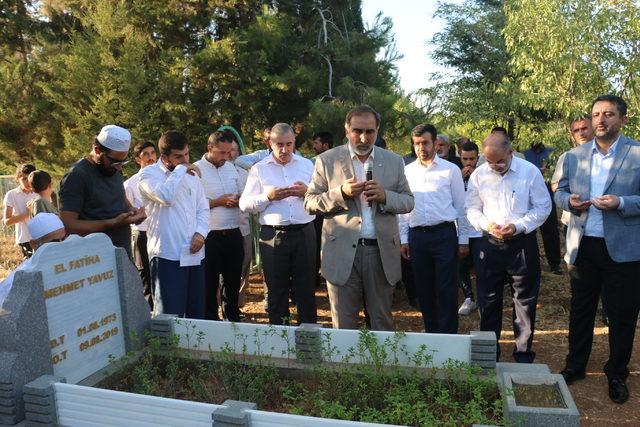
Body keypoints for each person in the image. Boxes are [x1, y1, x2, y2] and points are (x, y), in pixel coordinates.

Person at [555, 95, 640, 404]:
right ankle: (575, 366)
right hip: (583, 246)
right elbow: (560, 193)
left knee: (622, 315)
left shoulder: (637, 153)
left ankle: (617, 373)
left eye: (609, 114)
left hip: (624, 250)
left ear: (623, 119)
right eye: (596, 114)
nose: (601, 119)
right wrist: (569, 202)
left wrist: (621, 203)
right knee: (581, 310)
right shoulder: (574, 156)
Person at [305, 105, 414, 331]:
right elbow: (310, 202)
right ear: (346, 130)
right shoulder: (327, 160)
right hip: (341, 252)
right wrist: (341, 193)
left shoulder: (393, 161)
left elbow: (408, 201)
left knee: (382, 321)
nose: (364, 138)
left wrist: (386, 196)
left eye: (370, 131)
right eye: (357, 131)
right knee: (344, 325)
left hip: (381, 252)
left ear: (377, 130)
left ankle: (379, 367)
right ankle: (346, 367)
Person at [466, 132, 551, 362]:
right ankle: (488, 354)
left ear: (511, 152)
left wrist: (519, 225)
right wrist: (486, 224)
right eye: (489, 161)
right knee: (488, 299)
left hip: (521, 245)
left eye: (500, 161)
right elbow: (471, 208)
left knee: (524, 300)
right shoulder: (479, 175)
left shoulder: (529, 172)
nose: (494, 166)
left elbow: (543, 207)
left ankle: (523, 354)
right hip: (489, 244)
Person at [239, 123, 317, 325]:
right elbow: (244, 204)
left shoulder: (307, 165)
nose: (284, 150)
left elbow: (322, 198)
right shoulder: (258, 169)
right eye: (279, 145)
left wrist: (306, 192)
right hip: (272, 236)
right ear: (269, 143)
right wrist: (267, 197)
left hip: (305, 233)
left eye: (289, 144)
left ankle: (308, 342)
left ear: (294, 143)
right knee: (276, 289)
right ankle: (280, 341)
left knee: (306, 289)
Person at [399, 124, 468, 333]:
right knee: (424, 289)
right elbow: (402, 209)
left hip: (444, 235)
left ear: (435, 142)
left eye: (426, 142)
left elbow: (461, 207)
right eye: (417, 143)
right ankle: (432, 334)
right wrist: (404, 238)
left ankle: (448, 337)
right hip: (417, 237)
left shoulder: (450, 170)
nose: (422, 148)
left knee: (446, 289)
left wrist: (463, 239)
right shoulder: (406, 172)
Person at [138, 130, 209, 318]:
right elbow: (165, 197)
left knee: (196, 314)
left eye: (187, 154)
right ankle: (168, 349)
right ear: (164, 157)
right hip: (167, 255)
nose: (185, 159)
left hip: (194, 253)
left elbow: (203, 208)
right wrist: (180, 170)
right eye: (178, 156)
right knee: (169, 316)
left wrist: (201, 233)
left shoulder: (191, 175)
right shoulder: (147, 175)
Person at [58, 125, 146, 258]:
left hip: (122, 252)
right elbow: (68, 224)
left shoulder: (114, 168)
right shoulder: (77, 175)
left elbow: (119, 194)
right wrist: (111, 223)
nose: (119, 167)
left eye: (123, 162)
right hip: (94, 258)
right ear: (97, 150)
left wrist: (131, 210)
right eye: (115, 162)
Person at [195, 130, 246, 322]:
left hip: (233, 233)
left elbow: (244, 194)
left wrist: (239, 200)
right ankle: (210, 322)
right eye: (223, 152)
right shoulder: (196, 170)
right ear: (210, 148)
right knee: (209, 283)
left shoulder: (231, 168)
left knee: (232, 282)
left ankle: (232, 321)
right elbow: (192, 205)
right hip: (209, 236)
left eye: (230, 152)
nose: (228, 156)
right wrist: (218, 202)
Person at [0, 213, 66, 307]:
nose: (61, 246)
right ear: (34, 244)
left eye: (63, 239)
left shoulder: (69, 262)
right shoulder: (21, 279)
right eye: (54, 242)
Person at [123, 141, 157, 309]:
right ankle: (149, 314)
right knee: (146, 275)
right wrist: (140, 212)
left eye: (153, 153)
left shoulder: (164, 177)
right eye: (146, 154)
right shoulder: (130, 184)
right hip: (142, 234)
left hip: (160, 233)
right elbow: (128, 213)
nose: (151, 158)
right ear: (138, 159)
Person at [524, 140, 563, 275]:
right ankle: (533, 264)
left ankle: (555, 263)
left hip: (547, 198)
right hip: (528, 200)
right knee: (529, 233)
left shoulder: (551, 152)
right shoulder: (524, 154)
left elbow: (558, 174)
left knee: (551, 232)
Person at [457, 141, 482, 315]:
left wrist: (475, 179)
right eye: (465, 159)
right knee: (461, 266)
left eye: (472, 159)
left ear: (478, 157)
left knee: (482, 268)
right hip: (461, 230)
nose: (468, 163)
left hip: (480, 230)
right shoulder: (454, 174)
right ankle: (469, 298)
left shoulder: (484, 174)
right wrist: (460, 177)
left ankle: (483, 300)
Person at [229, 139, 253, 309]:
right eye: (226, 150)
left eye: (234, 150)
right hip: (221, 230)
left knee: (244, 266)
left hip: (243, 228)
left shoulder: (245, 174)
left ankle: (238, 303)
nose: (230, 154)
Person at [3, 164, 37, 258]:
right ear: (17, 178)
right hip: (25, 239)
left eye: (30, 178)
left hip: (42, 236)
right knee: (31, 269)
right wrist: (27, 213)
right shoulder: (11, 194)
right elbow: (7, 221)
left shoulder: (39, 192)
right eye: (24, 179)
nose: (28, 182)